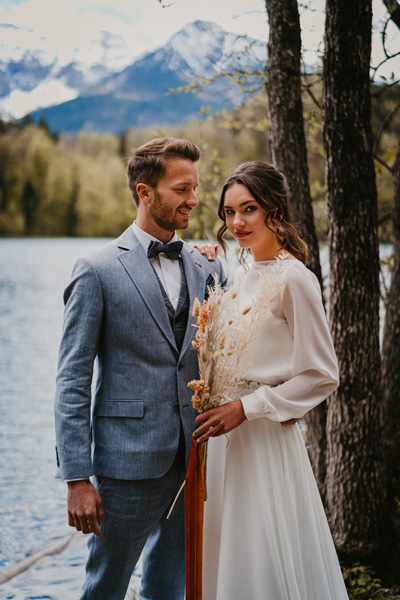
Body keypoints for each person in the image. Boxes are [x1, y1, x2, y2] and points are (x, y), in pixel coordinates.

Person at [54, 137, 224, 600]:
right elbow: (72, 380)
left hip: (192, 461)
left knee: (170, 588)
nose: (194, 199)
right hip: (124, 464)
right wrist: (76, 477)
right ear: (146, 192)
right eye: (182, 189)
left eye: (195, 188)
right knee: (105, 589)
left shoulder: (207, 267)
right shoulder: (96, 269)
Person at [193, 161, 349, 599]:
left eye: (249, 209)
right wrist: (201, 258)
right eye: (228, 212)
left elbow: (322, 373)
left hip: (260, 437)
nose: (237, 222)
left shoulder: (294, 279)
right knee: (223, 557)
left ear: (274, 209)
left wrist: (248, 408)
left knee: (260, 552)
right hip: (222, 444)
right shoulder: (239, 274)